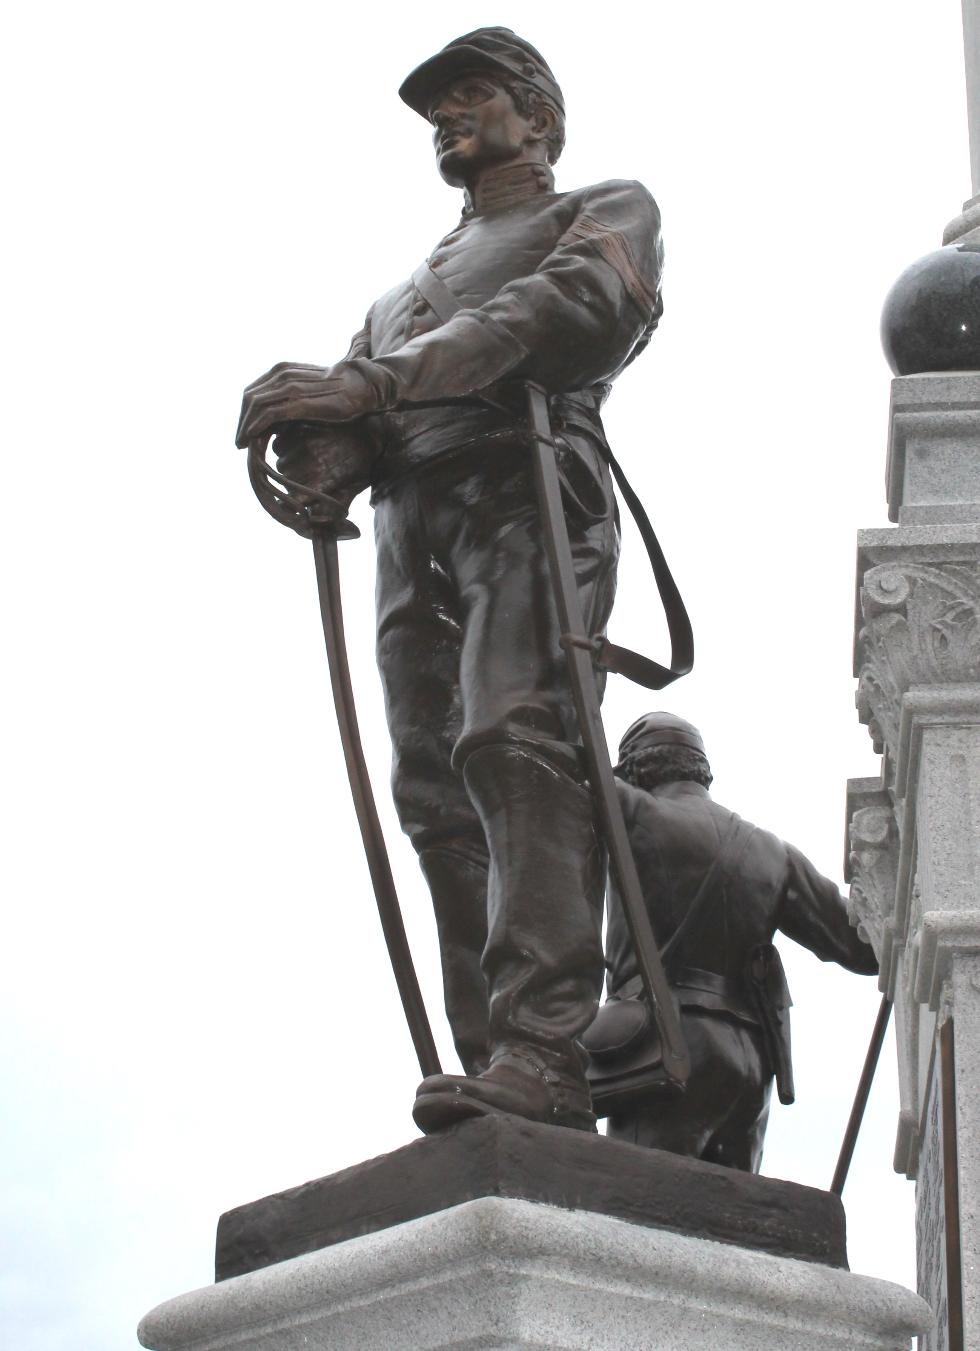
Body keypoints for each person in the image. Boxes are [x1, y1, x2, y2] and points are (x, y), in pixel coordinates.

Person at [234, 28, 666, 1133]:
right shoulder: (391, 298)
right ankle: (493, 1065)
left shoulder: (603, 210)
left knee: (513, 742)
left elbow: (567, 315)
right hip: (408, 523)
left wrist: (370, 387)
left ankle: (544, 1048)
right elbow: (360, 415)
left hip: (524, 492)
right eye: (440, 108)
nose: (449, 118)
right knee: (432, 787)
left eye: (473, 97)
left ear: (539, 119)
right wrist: (311, 448)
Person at [585, 712, 878, 1172]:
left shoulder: (629, 810)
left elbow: (554, 771)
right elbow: (865, 948)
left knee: (642, 1211)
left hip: (666, 1048)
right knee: (736, 1221)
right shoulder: (774, 853)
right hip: (751, 1064)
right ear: (701, 770)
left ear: (636, 769)